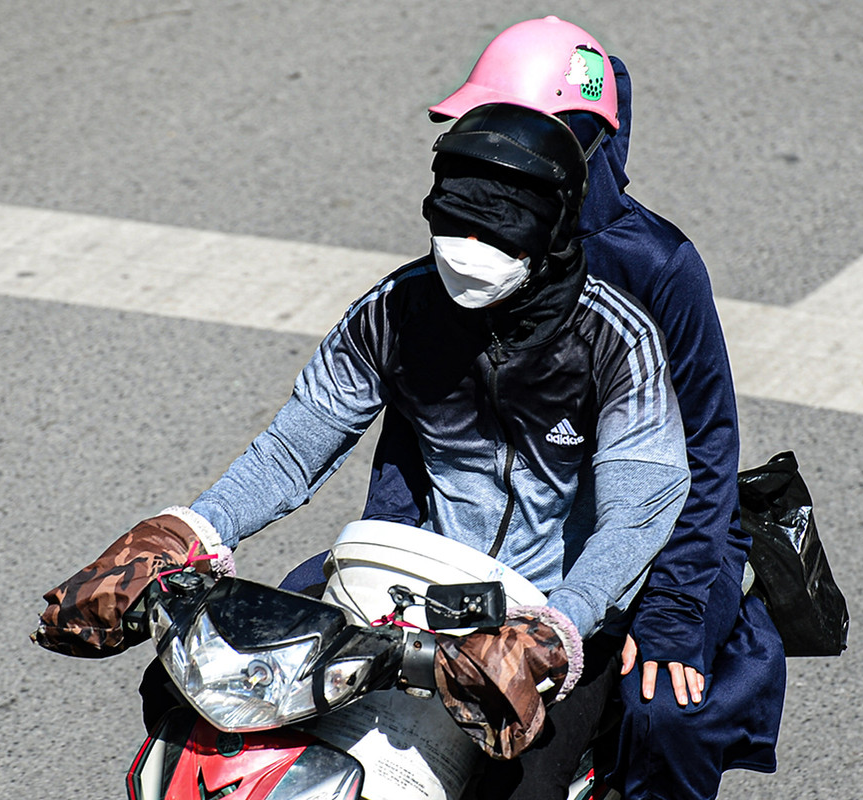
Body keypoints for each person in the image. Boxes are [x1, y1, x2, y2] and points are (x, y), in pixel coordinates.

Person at [38, 101, 691, 800]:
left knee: (526, 791)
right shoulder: (396, 310)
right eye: (454, 224)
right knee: (190, 694)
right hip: (399, 582)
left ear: (553, 231)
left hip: (544, 618)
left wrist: (558, 628)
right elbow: (293, 450)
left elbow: (636, 512)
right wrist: (187, 530)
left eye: (493, 230)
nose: (466, 247)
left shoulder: (616, 342)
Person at [353, 17, 788, 800]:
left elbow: (704, 454)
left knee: (659, 711)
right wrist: (386, 570)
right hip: (487, 544)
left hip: (650, 545)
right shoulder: (473, 245)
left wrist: (671, 612)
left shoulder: (659, 269)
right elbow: (417, 427)